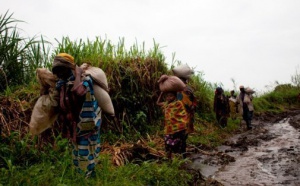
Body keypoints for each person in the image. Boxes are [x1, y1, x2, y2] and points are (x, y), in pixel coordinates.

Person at [52, 53, 102, 178]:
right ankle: (80, 175)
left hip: (88, 124)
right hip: (75, 125)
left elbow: (78, 92)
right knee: (76, 151)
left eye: (61, 70)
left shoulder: (85, 79)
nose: (59, 74)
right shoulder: (62, 83)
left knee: (86, 150)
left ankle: (88, 177)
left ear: (69, 68)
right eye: (57, 71)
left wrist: (78, 74)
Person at [156, 91, 189, 159]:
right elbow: (157, 103)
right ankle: (170, 159)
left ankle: (183, 159)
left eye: (171, 96)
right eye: (167, 96)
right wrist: (161, 93)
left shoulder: (178, 103)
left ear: (175, 97)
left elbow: (182, 114)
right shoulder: (166, 104)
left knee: (181, 144)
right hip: (169, 128)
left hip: (179, 128)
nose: (169, 98)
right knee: (168, 144)